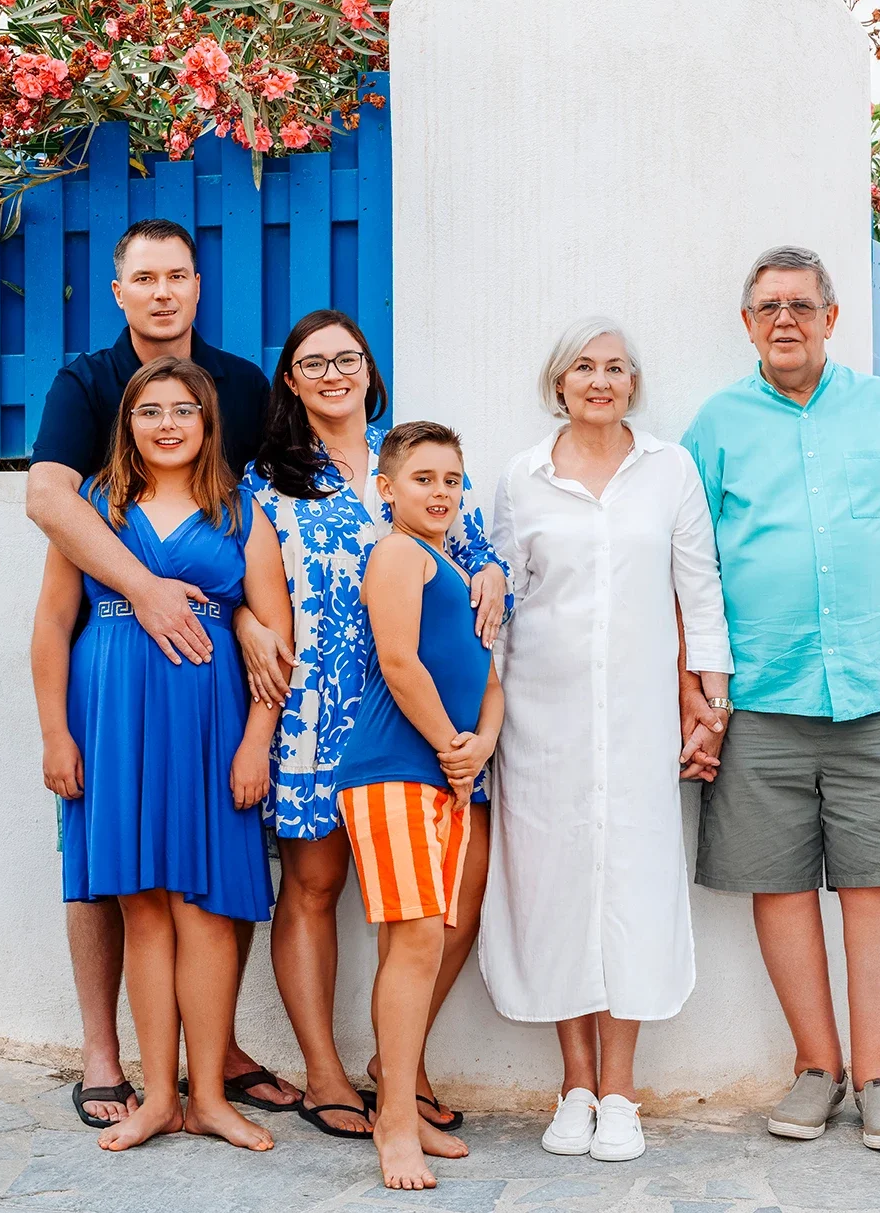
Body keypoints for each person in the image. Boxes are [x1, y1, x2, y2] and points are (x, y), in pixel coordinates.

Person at [682, 245, 880, 1153]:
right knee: (777, 885)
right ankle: (819, 1066)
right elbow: (688, 564)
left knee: (873, 881)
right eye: (768, 306)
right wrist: (694, 688)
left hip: (878, 690)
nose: (785, 320)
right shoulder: (716, 425)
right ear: (747, 323)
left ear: (831, 318)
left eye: (802, 305)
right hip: (761, 696)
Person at [25, 219, 294, 1125]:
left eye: (177, 274)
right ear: (119, 290)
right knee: (127, 890)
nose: (163, 291)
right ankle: (123, 1064)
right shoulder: (85, 391)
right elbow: (47, 514)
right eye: (145, 277)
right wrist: (57, 727)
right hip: (113, 703)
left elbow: (265, 562)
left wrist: (245, 624)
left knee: (211, 898)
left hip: (210, 708)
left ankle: (209, 1074)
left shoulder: (245, 399)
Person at [236, 310, 510, 1140]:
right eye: (314, 362)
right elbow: (254, 592)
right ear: (291, 380)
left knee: (452, 896)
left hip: (424, 716)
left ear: (369, 368)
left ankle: (400, 1062)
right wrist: (249, 624)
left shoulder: (415, 459)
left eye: (347, 358)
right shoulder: (267, 480)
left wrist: (494, 573)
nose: (333, 374)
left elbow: (473, 551)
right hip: (318, 710)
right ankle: (325, 1071)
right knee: (314, 887)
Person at [482, 321, 733, 1163]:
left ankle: (621, 1089)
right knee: (556, 886)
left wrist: (712, 699)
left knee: (633, 884)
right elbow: (504, 603)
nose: (600, 380)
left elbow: (699, 587)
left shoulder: (670, 469)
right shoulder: (523, 477)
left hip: (639, 716)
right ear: (559, 383)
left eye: (615, 367)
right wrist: (489, 715)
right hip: (541, 719)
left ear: (633, 382)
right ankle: (576, 1085)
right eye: (584, 367)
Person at [334, 421, 505, 1191]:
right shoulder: (398, 554)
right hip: (395, 768)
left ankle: (398, 1102)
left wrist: (480, 746)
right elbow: (399, 661)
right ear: (388, 488)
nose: (441, 492)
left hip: (445, 773)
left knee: (421, 943)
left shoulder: (457, 566)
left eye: (452, 480)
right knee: (413, 942)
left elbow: (489, 678)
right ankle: (396, 1124)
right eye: (424, 478)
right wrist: (449, 745)